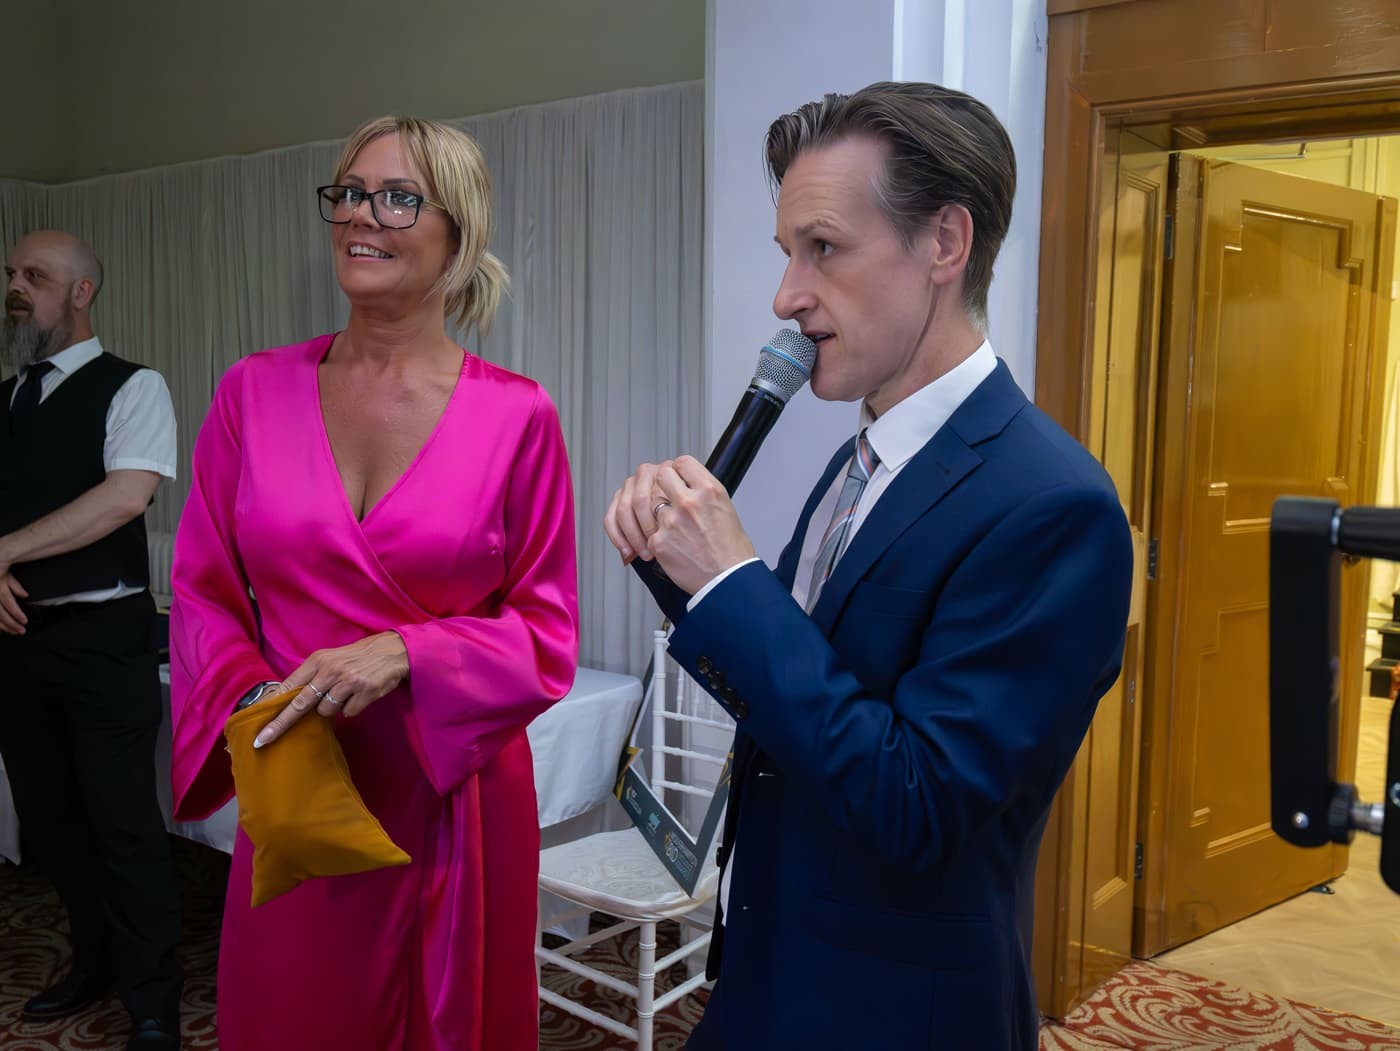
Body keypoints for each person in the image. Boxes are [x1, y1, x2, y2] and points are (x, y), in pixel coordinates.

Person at [605, 82, 1134, 1050]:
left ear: (944, 244)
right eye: (786, 252)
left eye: (823, 248)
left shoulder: (1055, 507)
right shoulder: (859, 460)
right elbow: (805, 706)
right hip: (765, 970)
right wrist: (677, 566)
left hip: (893, 1011)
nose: (785, 296)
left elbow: (918, 803)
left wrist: (732, 585)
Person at [168, 116, 579, 1050]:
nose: (361, 214)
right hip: (302, 786)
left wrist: (409, 652)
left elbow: (546, 628)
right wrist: (267, 711)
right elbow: (202, 592)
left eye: (397, 198)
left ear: (457, 233)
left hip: (454, 794)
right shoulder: (250, 393)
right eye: (350, 193)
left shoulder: (519, 416)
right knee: (293, 1015)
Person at [0, 230, 183, 1050]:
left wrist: (4, 550)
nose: (15, 287)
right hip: (15, 647)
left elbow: (124, 497)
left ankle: (154, 998)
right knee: (51, 822)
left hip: (103, 641)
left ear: (81, 292)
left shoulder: (134, 385)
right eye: (11, 274)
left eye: (34, 275)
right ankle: (94, 960)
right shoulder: (4, 399)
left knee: (123, 826)